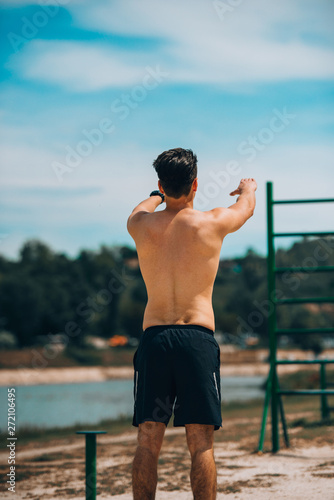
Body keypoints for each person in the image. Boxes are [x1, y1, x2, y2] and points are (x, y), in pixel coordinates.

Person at [127, 147, 257, 500]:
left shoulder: (140, 225)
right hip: (196, 339)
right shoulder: (210, 223)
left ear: (161, 184)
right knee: (200, 443)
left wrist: (156, 197)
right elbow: (245, 208)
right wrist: (248, 187)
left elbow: (142, 207)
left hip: (154, 339)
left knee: (148, 439)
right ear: (195, 184)